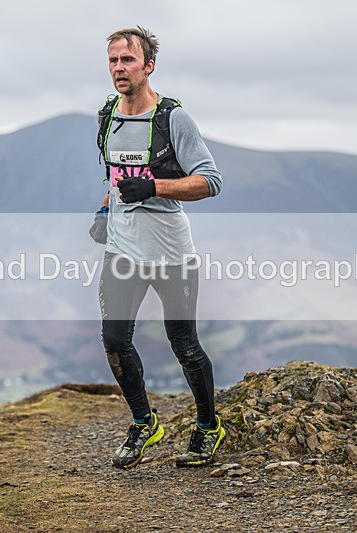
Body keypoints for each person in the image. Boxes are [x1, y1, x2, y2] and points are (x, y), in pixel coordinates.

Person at [89, 26, 224, 469]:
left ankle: (208, 427)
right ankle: (144, 422)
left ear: (148, 66)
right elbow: (115, 179)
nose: (118, 68)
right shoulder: (106, 116)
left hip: (171, 253)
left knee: (183, 343)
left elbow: (210, 181)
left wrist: (153, 186)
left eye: (127, 60)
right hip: (123, 250)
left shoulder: (173, 119)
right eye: (112, 60)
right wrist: (105, 213)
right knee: (114, 340)